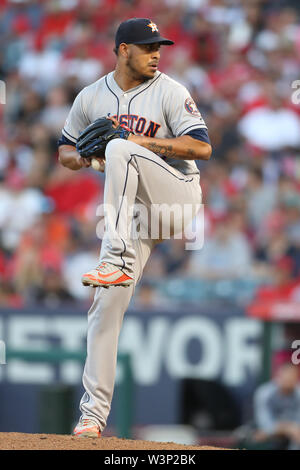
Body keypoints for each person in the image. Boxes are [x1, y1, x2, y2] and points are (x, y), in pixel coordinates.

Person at [58, 17, 212, 438]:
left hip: (178, 195)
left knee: (122, 146)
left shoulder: (170, 90)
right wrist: (89, 158)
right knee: (104, 308)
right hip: (136, 216)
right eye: (147, 47)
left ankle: (115, 258)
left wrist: (137, 143)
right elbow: (65, 153)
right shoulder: (91, 96)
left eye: (158, 46)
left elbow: (202, 146)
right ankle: (92, 417)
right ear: (123, 49)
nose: (156, 53)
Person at [252, 363, 300, 450]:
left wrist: (288, 429)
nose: (288, 382)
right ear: (278, 377)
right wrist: (289, 428)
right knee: (260, 437)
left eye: (292, 379)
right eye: (286, 379)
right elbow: (265, 425)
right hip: (268, 437)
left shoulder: (298, 393)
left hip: (293, 437)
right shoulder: (264, 393)